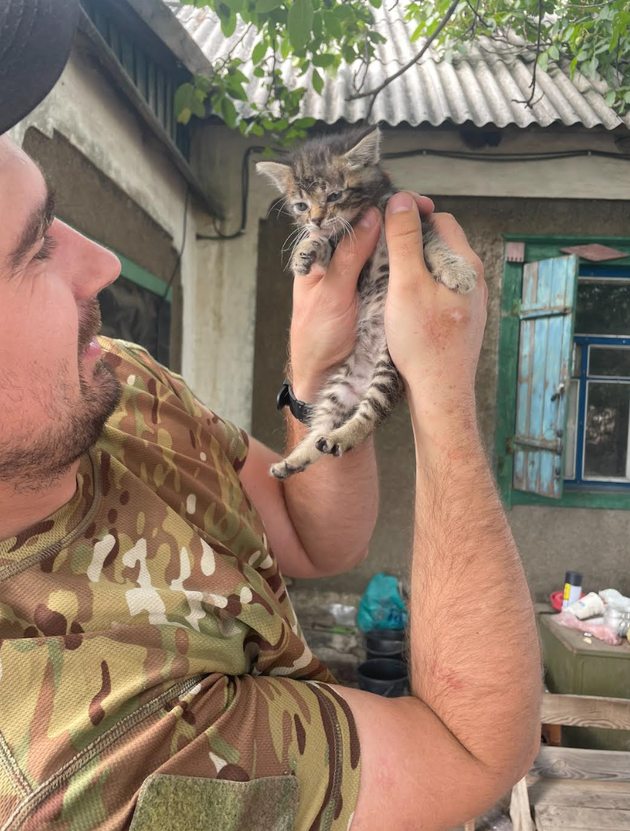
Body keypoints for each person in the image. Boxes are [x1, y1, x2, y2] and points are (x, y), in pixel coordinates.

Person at [0, 2, 541, 829]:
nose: (103, 264)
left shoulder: (118, 387)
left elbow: (315, 534)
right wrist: (442, 397)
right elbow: (465, 753)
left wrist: (318, 367)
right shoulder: (87, 757)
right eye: (36, 249)